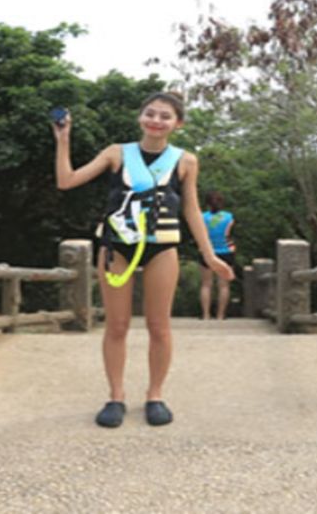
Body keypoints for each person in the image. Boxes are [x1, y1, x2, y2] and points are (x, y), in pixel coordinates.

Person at [53, 91, 234, 428]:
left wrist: (209, 255)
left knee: (159, 327)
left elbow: (191, 209)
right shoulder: (117, 153)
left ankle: (155, 395)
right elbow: (67, 181)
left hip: (162, 247)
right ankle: (116, 396)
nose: (156, 121)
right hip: (116, 246)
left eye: (165, 116)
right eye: (150, 113)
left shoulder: (185, 161)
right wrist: (63, 139)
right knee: (117, 325)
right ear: (140, 117)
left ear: (178, 124)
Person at [198, 192, 237, 320]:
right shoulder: (229, 217)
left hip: (207, 250)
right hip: (226, 251)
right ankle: (220, 315)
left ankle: (205, 315)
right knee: (224, 285)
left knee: (206, 284)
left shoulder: (202, 217)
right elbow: (229, 234)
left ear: (207, 203)